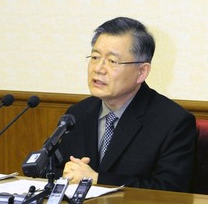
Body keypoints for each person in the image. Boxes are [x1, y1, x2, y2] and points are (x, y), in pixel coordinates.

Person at [55, 17, 197, 192]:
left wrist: (98, 179)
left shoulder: (173, 122)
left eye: (112, 61)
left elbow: (170, 190)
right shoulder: (78, 113)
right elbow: (51, 168)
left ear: (141, 72)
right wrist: (65, 173)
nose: (98, 68)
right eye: (95, 57)